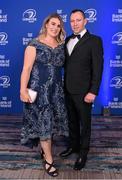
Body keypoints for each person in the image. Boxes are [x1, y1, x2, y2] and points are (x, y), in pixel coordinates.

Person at [20, 13, 68, 177]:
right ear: (46, 24)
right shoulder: (34, 44)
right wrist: (22, 90)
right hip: (39, 93)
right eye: (52, 24)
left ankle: (44, 151)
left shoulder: (62, 45)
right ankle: (49, 160)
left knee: (51, 125)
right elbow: (26, 69)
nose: (55, 27)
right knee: (44, 125)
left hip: (56, 92)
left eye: (58, 25)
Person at [60, 9, 104, 170]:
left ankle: (83, 153)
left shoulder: (95, 41)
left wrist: (93, 91)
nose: (75, 23)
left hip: (85, 91)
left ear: (85, 21)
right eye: (72, 21)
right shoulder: (67, 40)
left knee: (85, 123)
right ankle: (74, 146)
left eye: (78, 20)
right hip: (68, 89)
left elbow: (98, 68)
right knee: (71, 121)